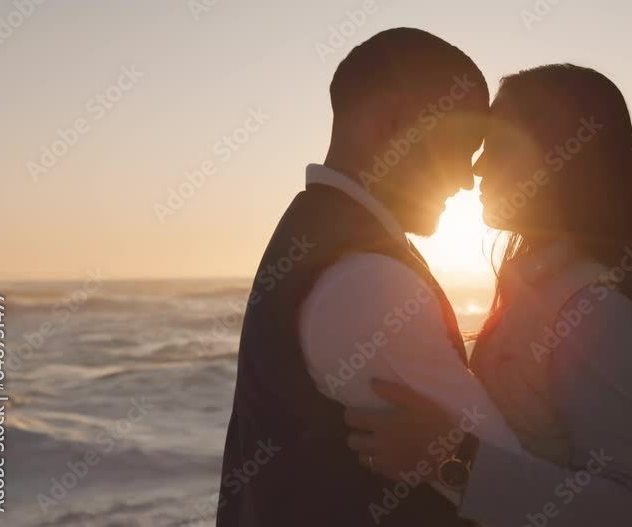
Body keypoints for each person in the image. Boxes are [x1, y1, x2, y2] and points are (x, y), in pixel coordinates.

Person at [345, 64, 632, 526]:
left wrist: (452, 457)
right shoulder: (538, 294)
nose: (476, 165)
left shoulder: (598, 311)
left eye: (498, 141)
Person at [216, 27, 505, 526]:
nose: (464, 180)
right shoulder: (372, 286)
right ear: (390, 125)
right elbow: (517, 487)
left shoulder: (315, 238)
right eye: (460, 146)